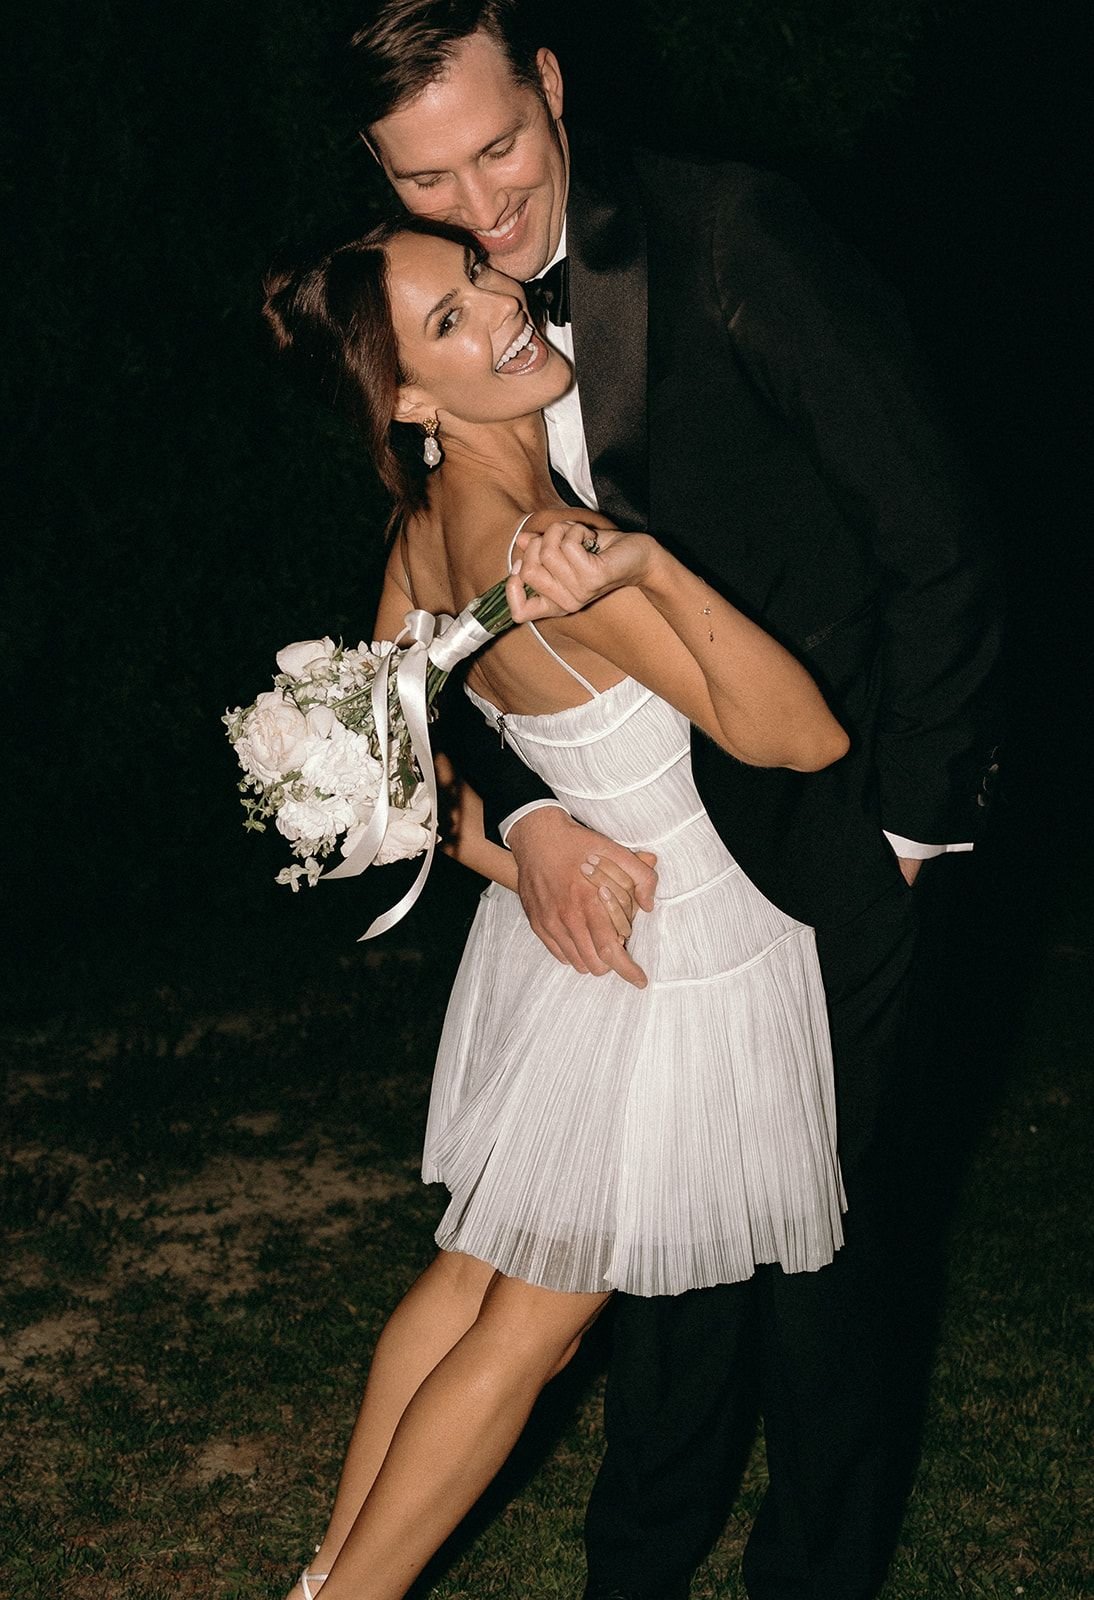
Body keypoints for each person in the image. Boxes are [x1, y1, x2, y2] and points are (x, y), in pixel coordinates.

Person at [343, 5, 1004, 1599]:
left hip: (836, 834)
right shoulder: (454, 331)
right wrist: (530, 820)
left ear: (552, 89)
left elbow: (936, 536)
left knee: (819, 1283)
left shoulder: (730, 236)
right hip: (643, 875)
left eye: (498, 146)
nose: (484, 210)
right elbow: (453, 655)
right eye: (430, 181)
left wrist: (909, 831)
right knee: (658, 1280)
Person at [263, 217, 851, 1600]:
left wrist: (523, 850)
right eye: (451, 322)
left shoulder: (425, 529)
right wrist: (644, 568)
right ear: (408, 397)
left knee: (473, 1276)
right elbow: (800, 739)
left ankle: (323, 1582)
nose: (499, 309)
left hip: (573, 939)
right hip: (676, 953)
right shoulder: (542, 539)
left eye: (476, 277)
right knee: (529, 1328)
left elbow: (396, 793)